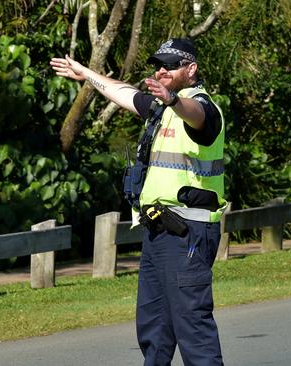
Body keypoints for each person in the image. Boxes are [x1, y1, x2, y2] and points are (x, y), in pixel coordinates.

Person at [51, 38, 227, 365]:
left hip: (187, 232)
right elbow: (121, 91)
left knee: (192, 327)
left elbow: (196, 115)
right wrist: (84, 72)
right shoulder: (159, 109)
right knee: (154, 328)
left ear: (191, 70)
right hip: (158, 232)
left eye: (171, 65)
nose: (162, 69)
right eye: (158, 64)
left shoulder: (201, 108)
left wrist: (173, 99)